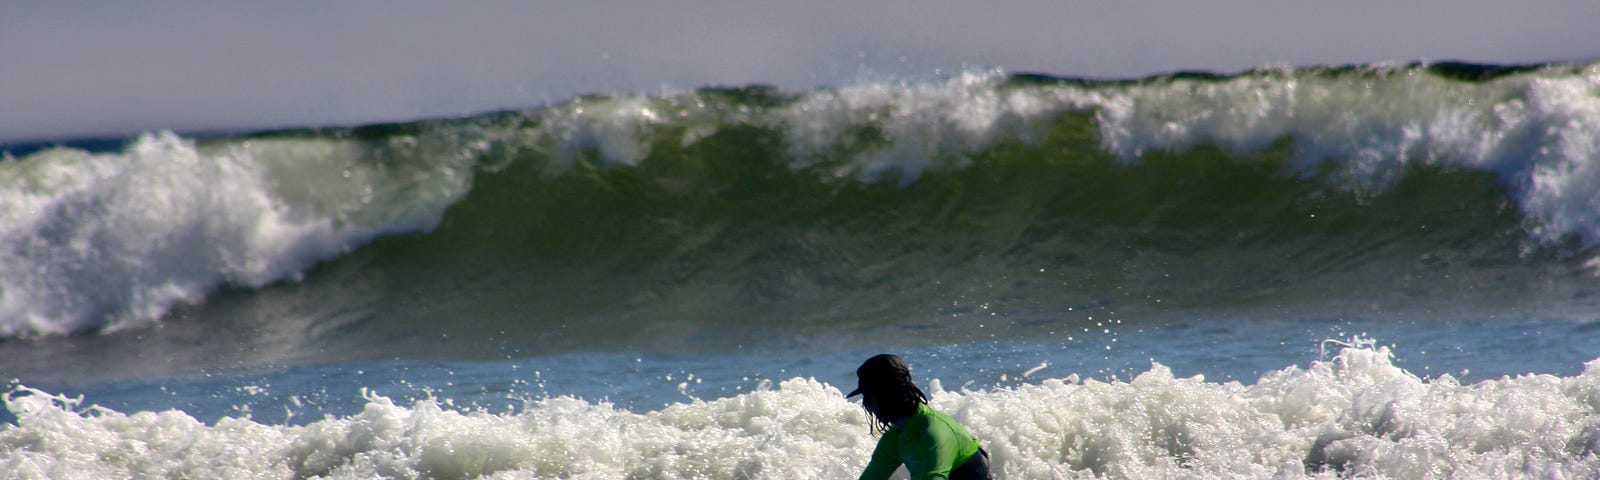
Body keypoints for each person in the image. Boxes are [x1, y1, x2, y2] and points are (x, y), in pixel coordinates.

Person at [847, 354, 992, 480]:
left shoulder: (934, 433)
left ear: (887, 394)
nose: (867, 405)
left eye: (870, 397)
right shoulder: (896, 436)